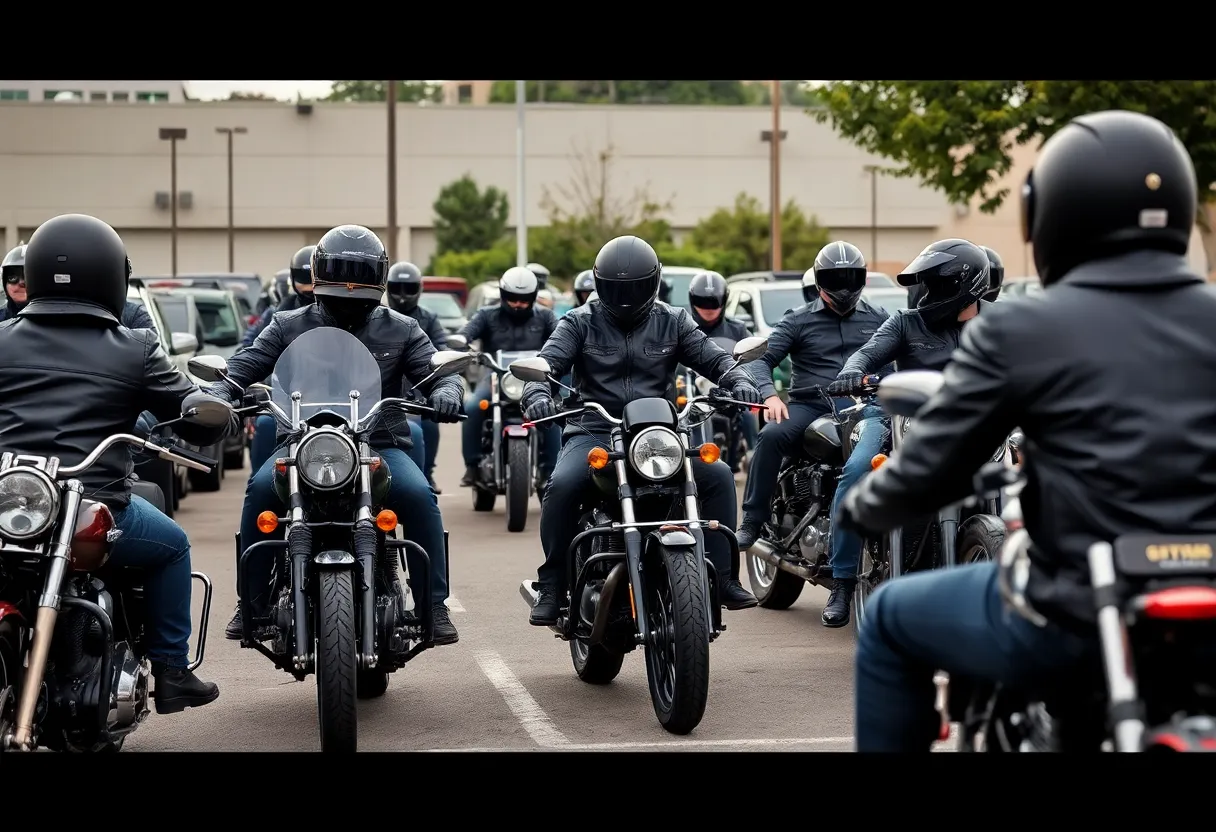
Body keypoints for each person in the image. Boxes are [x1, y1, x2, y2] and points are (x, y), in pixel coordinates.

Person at [837, 109, 1216, 752]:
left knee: (890, 620)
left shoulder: (1022, 328)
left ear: (1051, 216)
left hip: (1073, 611)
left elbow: (931, 465)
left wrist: (864, 508)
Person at [0, 214, 236, 712]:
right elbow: (192, 411)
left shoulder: (2, 339)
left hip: (12, 502)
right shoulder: (133, 348)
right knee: (173, 546)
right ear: (113, 277)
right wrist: (214, 418)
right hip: (93, 504)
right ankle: (172, 671)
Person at [218, 225, 464, 646]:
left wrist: (447, 392)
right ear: (318, 285)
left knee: (420, 496)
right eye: (337, 298)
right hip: (301, 444)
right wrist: (218, 392)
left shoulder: (403, 329)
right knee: (259, 490)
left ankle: (432, 604)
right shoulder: (285, 325)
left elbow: (438, 374)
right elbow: (240, 369)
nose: (348, 306)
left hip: (378, 443)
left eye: (358, 299)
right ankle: (252, 602)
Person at [523, 235, 763, 624]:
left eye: (634, 287)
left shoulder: (674, 320)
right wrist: (536, 390)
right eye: (617, 288)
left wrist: (738, 379)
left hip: (658, 434)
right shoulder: (578, 321)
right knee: (563, 485)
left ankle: (722, 577)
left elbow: (714, 358)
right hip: (596, 428)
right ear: (601, 285)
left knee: (717, 476)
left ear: (653, 283)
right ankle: (552, 584)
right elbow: (547, 362)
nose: (626, 296)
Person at [821, 239, 992, 625]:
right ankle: (843, 580)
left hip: (975, 423)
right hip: (898, 417)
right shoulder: (905, 321)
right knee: (858, 470)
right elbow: (866, 353)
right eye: (924, 284)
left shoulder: (1000, 321)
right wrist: (853, 370)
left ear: (964, 285)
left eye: (935, 284)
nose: (926, 293)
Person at [736, 242, 892, 622]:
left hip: (866, 407)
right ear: (819, 281)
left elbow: (898, 363)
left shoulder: (881, 318)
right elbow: (762, 361)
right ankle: (753, 521)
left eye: (849, 277)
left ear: (862, 279)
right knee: (772, 436)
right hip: (811, 405)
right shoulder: (798, 318)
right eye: (834, 278)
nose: (842, 285)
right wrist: (770, 396)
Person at [457, 266, 560, 489]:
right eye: (512, 298)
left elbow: (561, 339)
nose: (517, 304)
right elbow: (468, 331)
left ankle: (550, 470)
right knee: (474, 406)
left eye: (523, 300)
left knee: (551, 411)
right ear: (503, 295)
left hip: (534, 378)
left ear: (533, 297)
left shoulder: (545, 317)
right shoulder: (486, 315)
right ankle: (472, 466)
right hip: (495, 376)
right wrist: (461, 339)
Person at [685, 271, 758, 473]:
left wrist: (745, 383)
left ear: (724, 301)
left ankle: (753, 457)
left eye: (714, 303)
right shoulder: (683, 327)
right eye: (702, 302)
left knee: (749, 412)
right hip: (691, 393)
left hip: (728, 394)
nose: (708, 309)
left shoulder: (738, 330)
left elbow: (755, 359)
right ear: (692, 301)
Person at [386, 260, 446, 492]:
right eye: (397, 288)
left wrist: (443, 387)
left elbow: (441, 348)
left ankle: (426, 475)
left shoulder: (428, 319)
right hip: (378, 387)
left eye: (409, 289)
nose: (402, 296)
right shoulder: (375, 316)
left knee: (431, 416)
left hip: (418, 384)